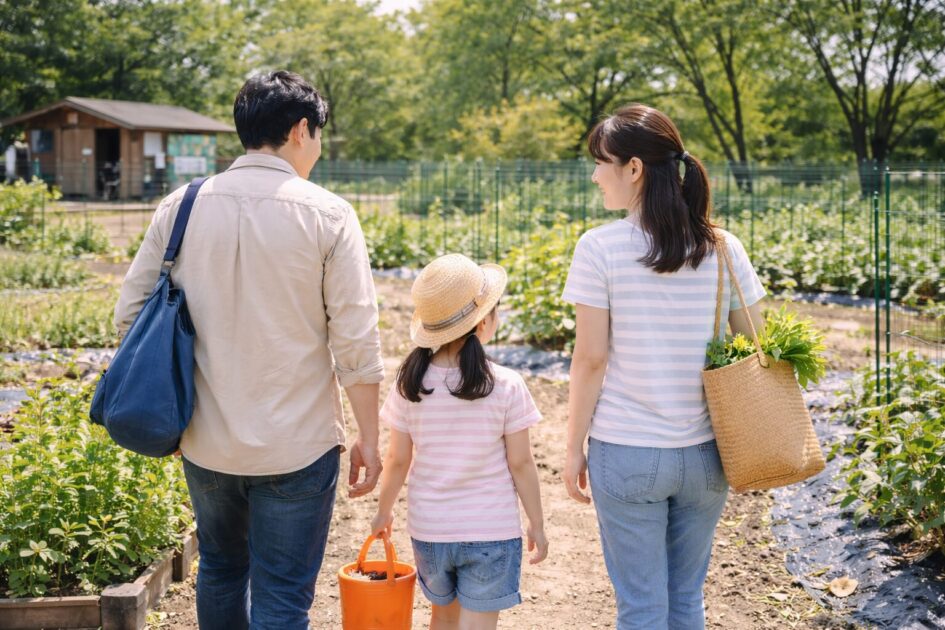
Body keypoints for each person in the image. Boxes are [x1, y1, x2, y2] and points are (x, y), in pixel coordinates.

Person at [114, 71, 384, 629]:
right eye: (317, 136)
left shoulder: (180, 207)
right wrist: (370, 437)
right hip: (298, 444)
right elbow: (355, 340)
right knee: (282, 595)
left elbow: (129, 316)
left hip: (206, 439)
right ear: (300, 130)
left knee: (220, 567)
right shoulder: (328, 214)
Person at [561, 104, 766, 630]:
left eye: (601, 163)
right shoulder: (723, 247)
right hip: (705, 457)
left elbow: (590, 359)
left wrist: (571, 447)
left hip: (627, 453)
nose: (593, 175)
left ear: (633, 168)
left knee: (641, 607)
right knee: (686, 600)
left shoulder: (599, 248)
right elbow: (757, 343)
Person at [370, 253, 549, 630]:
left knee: (443, 621)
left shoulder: (411, 384)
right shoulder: (505, 385)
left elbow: (398, 459)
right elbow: (521, 463)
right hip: (491, 531)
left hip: (431, 530)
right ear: (485, 322)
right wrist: (536, 522)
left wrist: (383, 510)